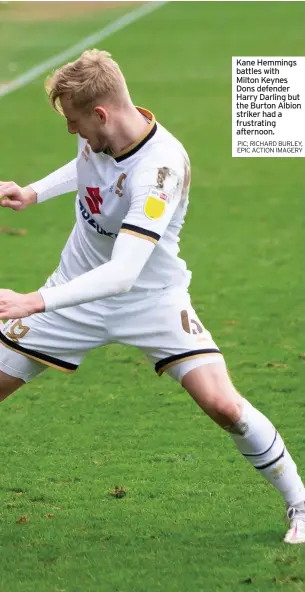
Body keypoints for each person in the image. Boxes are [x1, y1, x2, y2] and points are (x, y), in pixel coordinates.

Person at [0, 49, 304, 544]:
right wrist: (34, 191)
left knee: (223, 406)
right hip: (74, 296)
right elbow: (85, 164)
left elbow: (122, 273)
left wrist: (34, 300)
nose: (72, 132)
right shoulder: (105, 134)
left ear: (101, 114)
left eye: (75, 122)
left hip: (150, 300)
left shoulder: (160, 168)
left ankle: (299, 500)